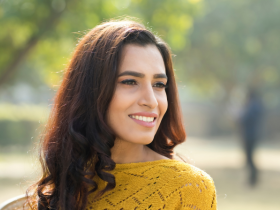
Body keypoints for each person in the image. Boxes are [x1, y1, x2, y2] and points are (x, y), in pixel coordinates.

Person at [21, 19, 217, 210]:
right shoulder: (63, 188)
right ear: (90, 91)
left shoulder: (187, 188)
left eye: (159, 85)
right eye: (130, 81)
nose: (151, 100)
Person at [239, 89, 264, 186]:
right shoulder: (256, 106)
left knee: (249, 158)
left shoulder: (252, 107)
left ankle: (253, 180)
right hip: (253, 135)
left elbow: (245, 119)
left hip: (250, 135)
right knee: (250, 158)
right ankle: (253, 179)